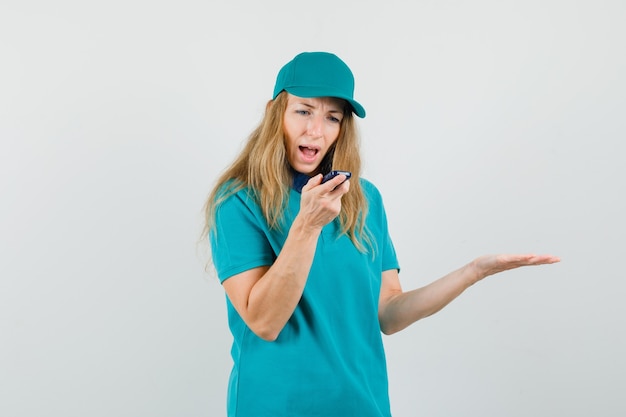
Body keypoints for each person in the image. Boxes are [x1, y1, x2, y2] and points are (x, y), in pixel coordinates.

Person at [202, 51, 560, 417]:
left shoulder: (363, 199)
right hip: (275, 406)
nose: (316, 130)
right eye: (303, 111)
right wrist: (307, 226)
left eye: (332, 117)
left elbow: (388, 313)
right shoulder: (237, 201)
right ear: (275, 112)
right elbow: (264, 321)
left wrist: (473, 272)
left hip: (362, 405)